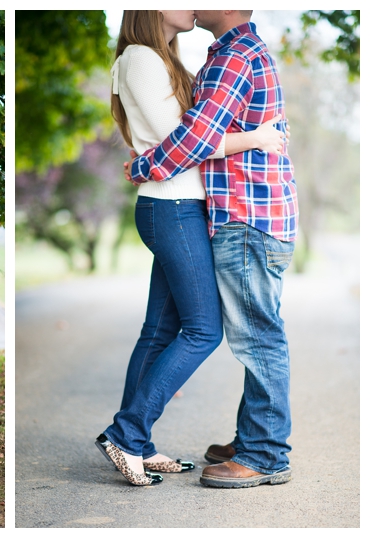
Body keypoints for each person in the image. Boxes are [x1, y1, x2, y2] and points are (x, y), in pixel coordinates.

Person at [95, 10, 287, 487]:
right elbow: (187, 140)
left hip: (181, 205)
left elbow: (188, 138)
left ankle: (135, 444)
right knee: (203, 331)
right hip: (173, 206)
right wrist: (258, 137)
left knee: (159, 331)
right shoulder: (140, 57)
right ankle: (126, 433)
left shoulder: (167, 58)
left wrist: (146, 166)